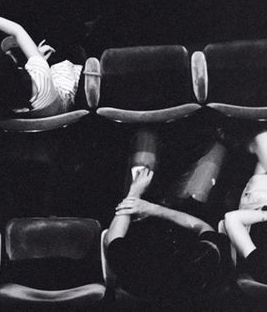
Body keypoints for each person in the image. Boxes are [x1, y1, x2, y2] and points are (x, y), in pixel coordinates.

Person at [105, 128, 229, 310]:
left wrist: (135, 193)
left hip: (138, 212)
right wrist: (156, 209)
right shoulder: (198, 267)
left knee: (145, 137)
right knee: (217, 148)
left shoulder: (137, 275)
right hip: (186, 209)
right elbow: (204, 227)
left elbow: (112, 238)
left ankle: (149, 121)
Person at [0, 0, 84, 119]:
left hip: (38, 112)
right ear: (16, 71)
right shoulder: (41, 74)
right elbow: (17, 30)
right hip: (63, 94)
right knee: (64, 46)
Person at [223, 130, 267, 284]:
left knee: (260, 132)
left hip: (258, 201)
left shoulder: (261, 268)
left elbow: (231, 219)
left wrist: (265, 216)